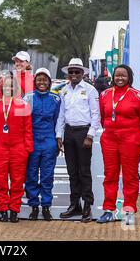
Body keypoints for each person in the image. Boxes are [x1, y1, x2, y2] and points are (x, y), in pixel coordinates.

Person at [97, 65, 140, 225]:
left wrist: (135, 139)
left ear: (129, 77)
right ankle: (108, 210)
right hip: (109, 140)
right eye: (117, 75)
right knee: (110, 175)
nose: (120, 78)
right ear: (112, 77)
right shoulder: (105, 94)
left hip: (130, 140)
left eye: (124, 76)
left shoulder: (138, 96)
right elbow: (103, 118)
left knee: (130, 176)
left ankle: (129, 211)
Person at [56, 58, 100, 223]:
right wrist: (59, 136)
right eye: (71, 72)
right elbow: (61, 115)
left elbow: (96, 114)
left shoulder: (90, 90)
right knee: (72, 172)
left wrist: (90, 135)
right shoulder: (64, 91)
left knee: (84, 171)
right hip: (69, 132)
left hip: (83, 133)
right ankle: (75, 204)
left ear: (83, 73)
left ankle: (87, 205)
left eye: (77, 71)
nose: (74, 74)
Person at [0, 72, 33, 223]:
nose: (8, 87)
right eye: (5, 85)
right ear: (1, 86)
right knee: (0, 181)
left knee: (18, 181)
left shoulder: (23, 104)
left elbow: (27, 129)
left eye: (11, 85)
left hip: (18, 148)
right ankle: (3, 209)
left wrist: (27, 149)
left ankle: (14, 210)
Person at [23, 68, 61, 221]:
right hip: (32, 141)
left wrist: (59, 138)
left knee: (47, 176)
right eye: (39, 79)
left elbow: (59, 120)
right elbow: (23, 122)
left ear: (50, 82)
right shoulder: (28, 98)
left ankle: (46, 206)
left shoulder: (56, 99)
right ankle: (33, 205)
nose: (42, 82)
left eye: (45, 79)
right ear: (35, 82)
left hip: (49, 142)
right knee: (31, 175)